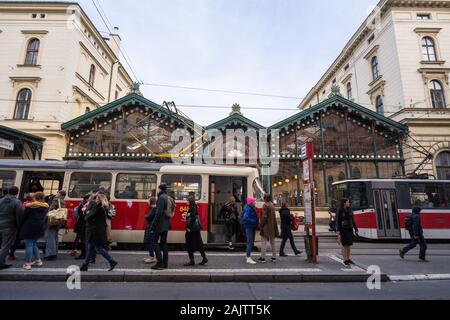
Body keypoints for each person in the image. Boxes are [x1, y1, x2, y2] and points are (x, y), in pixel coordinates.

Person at [80, 194, 118, 272]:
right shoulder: (103, 207)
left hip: (96, 231)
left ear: (101, 200)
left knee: (98, 248)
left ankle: (112, 261)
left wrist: (87, 214)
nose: (96, 200)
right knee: (91, 247)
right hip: (96, 230)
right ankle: (85, 265)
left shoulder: (100, 208)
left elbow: (90, 217)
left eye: (97, 199)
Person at [20, 192, 48, 270]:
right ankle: (38, 260)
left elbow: (24, 217)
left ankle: (28, 263)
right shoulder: (45, 206)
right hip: (40, 227)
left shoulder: (30, 206)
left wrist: (20, 225)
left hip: (29, 227)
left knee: (28, 245)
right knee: (34, 244)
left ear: (35, 197)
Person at [151, 184, 173, 270]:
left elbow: (158, 213)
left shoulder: (161, 198)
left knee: (154, 242)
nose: (157, 191)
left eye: (158, 189)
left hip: (160, 224)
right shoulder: (167, 197)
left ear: (160, 189)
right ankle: (165, 263)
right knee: (164, 244)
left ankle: (159, 262)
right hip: (166, 224)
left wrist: (153, 224)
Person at [0, 187, 23, 270]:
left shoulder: (1, 200)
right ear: (17, 192)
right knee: (5, 245)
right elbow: (19, 215)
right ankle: (1, 263)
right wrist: (19, 226)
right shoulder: (17, 202)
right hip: (10, 226)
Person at [184, 195, 208, 267]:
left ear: (190, 201)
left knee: (189, 244)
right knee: (198, 243)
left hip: (192, 230)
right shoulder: (193, 206)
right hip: (196, 229)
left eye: (187, 200)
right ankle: (204, 258)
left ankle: (192, 260)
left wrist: (190, 227)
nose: (186, 202)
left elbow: (193, 217)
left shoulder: (192, 207)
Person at [44, 190, 66, 261]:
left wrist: (45, 219)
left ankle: (50, 254)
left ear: (59, 194)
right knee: (55, 237)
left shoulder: (56, 200)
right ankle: (54, 253)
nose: (56, 194)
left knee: (49, 237)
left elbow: (50, 210)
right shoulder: (63, 201)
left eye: (57, 193)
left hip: (52, 221)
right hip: (58, 222)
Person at [336, 198, 359, 267]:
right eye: (348, 202)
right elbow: (337, 221)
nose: (349, 203)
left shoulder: (349, 209)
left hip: (349, 229)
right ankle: (345, 259)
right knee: (344, 245)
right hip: (343, 229)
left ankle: (348, 258)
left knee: (349, 245)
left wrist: (355, 228)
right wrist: (338, 231)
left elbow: (352, 220)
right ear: (344, 203)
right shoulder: (340, 210)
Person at [258, 194, 279, 264]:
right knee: (272, 242)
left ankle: (263, 258)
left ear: (265, 198)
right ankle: (274, 257)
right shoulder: (272, 205)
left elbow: (264, 217)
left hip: (266, 227)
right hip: (272, 226)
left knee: (263, 243)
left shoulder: (265, 205)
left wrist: (261, 224)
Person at [242, 197, 259, 265]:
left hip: (251, 227)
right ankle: (248, 258)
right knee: (250, 242)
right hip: (249, 227)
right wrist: (254, 221)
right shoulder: (248, 208)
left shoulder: (250, 207)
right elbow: (245, 218)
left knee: (250, 242)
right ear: (251, 202)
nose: (255, 202)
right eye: (254, 201)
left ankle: (247, 256)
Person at [143, 197, 157, 264]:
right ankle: (151, 256)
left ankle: (152, 257)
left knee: (149, 242)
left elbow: (149, 217)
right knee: (149, 241)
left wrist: (146, 216)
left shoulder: (153, 209)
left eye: (148, 201)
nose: (147, 202)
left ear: (151, 202)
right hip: (150, 227)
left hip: (151, 228)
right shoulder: (153, 209)